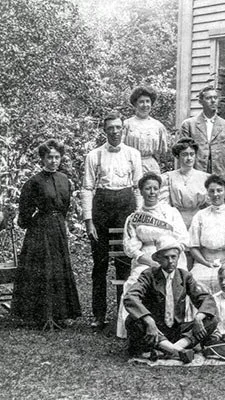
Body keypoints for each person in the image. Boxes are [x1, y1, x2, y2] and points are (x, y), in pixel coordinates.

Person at [82, 111, 143, 328]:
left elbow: (138, 188)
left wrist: (137, 217)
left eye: (118, 127)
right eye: (110, 128)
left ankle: (122, 314)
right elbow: (88, 188)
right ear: (104, 130)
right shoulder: (94, 155)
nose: (115, 132)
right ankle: (99, 316)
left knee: (124, 262)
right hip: (102, 209)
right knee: (100, 263)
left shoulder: (133, 154)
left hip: (125, 208)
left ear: (123, 129)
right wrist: (89, 220)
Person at [13, 139, 81, 328]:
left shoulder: (64, 180)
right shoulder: (34, 182)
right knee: (43, 269)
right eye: (49, 157)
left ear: (61, 158)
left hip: (58, 227)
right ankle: (40, 314)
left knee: (58, 268)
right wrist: (33, 222)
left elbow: (66, 206)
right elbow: (24, 212)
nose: (53, 161)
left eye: (57, 157)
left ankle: (60, 313)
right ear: (42, 158)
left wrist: (60, 221)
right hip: (40, 230)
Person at [116, 173, 189, 339]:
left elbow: (183, 239)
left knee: (178, 278)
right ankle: (140, 327)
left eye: (155, 188)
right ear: (141, 191)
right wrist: (150, 262)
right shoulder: (134, 217)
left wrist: (169, 257)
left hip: (171, 254)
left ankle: (176, 325)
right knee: (135, 280)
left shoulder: (171, 213)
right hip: (146, 258)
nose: (152, 192)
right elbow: (130, 247)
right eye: (148, 188)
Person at [124, 236, 217, 363]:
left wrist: (199, 317)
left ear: (178, 257)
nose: (171, 261)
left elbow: (206, 298)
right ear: (158, 258)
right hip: (154, 330)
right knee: (132, 321)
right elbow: (131, 296)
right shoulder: (149, 275)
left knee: (211, 319)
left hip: (176, 331)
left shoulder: (185, 276)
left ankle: (173, 348)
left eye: (174, 257)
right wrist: (149, 321)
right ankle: (176, 351)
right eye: (166, 257)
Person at [189, 175, 225, 294]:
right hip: (204, 262)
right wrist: (206, 263)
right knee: (195, 281)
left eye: (219, 190)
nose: (216, 194)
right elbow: (193, 246)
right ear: (207, 193)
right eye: (211, 191)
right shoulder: (200, 215)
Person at [179, 85, 225, 185]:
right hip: (195, 175)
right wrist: (184, 176)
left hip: (219, 175)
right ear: (201, 101)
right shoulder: (189, 125)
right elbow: (182, 153)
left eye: (215, 98)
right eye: (208, 98)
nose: (213, 101)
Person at [160, 138, 209, 228]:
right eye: (184, 155)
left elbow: (209, 205)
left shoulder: (205, 177)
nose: (189, 158)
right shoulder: (168, 177)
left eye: (192, 154)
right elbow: (164, 205)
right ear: (178, 156)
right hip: (176, 220)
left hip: (199, 220)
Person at [123, 86, 169, 174]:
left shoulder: (158, 126)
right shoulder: (127, 124)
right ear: (135, 104)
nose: (145, 105)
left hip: (151, 166)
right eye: (141, 102)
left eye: (148, 101)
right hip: (130, 165)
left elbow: (162, 154)